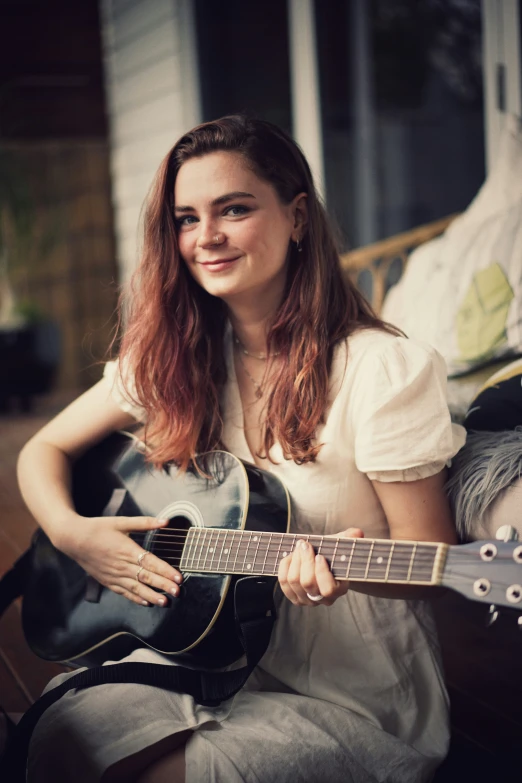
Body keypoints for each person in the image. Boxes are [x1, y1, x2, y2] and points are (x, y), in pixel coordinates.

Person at [18, 115, 465, 783]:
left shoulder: (384, 368)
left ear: (298, 217)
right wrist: (74, 532)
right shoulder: (173, 356)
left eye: (234, 208)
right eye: (185, 218)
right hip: (200, 656)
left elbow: (431, 555)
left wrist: (342, 571)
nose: (206, 238)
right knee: (61, 739)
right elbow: (43, 448)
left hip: (344, 687)